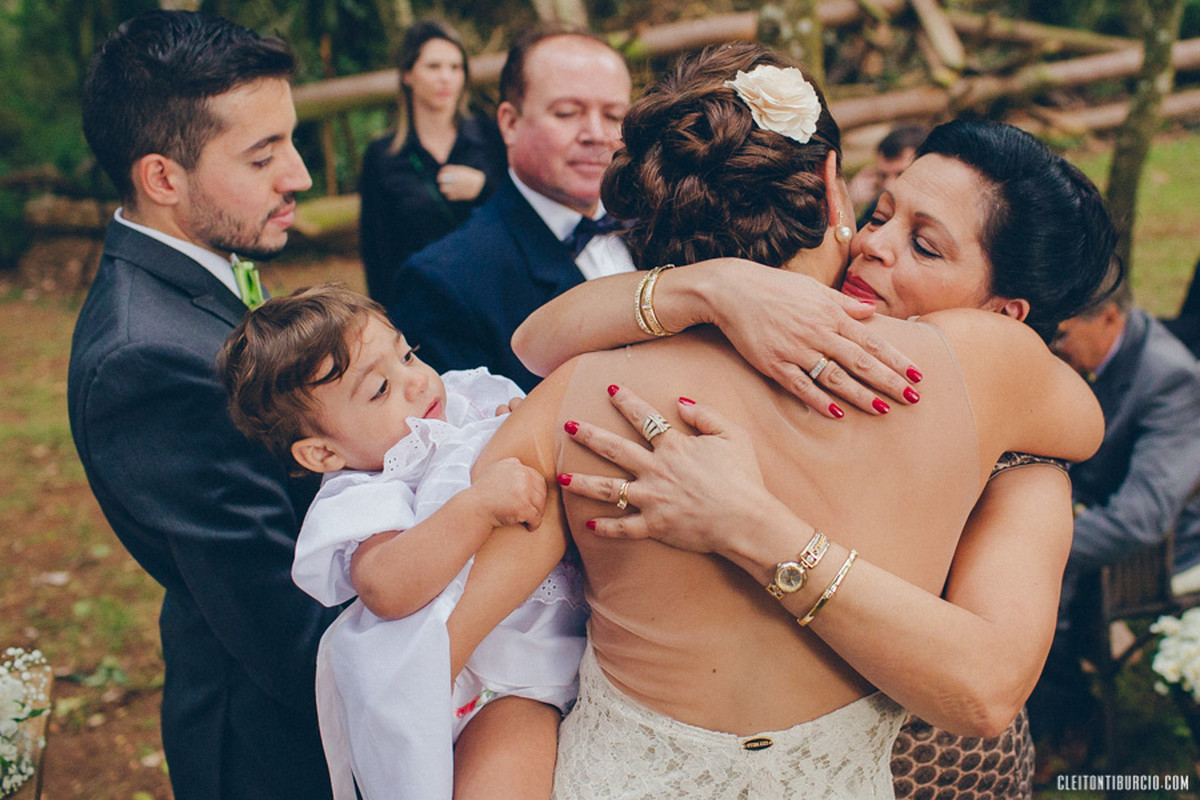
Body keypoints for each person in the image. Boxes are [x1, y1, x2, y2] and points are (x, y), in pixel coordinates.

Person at [453, 44, 1117, 797]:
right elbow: (535, 342)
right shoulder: (757, 335)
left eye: (924, 246)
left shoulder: (1022, 458)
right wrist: (714, 286)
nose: (872, 244)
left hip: (936, 775)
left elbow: (986, 690)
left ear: (1007, 317)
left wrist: (748, 523)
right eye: (880, 212)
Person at [67, 11, 337, 800]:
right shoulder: (143, 362)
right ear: (163, 178)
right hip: (275, 754)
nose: (300, 176)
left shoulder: (203, 267)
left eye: (289, 140)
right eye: (263, 156)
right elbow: (287, 630)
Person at [217, 285, 587, 799]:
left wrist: (514, 422)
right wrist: (476, 506)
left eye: (407, 353)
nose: (415, 382)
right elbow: (385, 585)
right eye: (379, 390)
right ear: (323, 453)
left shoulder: (465, 400)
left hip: (579, 631)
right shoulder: (365, 489)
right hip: (497, 683)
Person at [388, 23, 636, 391]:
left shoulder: (667, 224)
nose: (596, 134)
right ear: (510, 123)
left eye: (614, 116)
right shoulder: (443, 283)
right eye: (568, 112)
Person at [1029, 273, 1200, 754]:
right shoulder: (1088, 355)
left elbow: (1143, 517)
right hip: (1084, 513)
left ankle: (1069, 723)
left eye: (1060, 334)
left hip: (1160, 549)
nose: (1051, 346)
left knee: (1032, 595)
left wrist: (1037, 546)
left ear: (1108, 317)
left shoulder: (1171, 378)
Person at [358, 19, 506, 302]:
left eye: (455, 67)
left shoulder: (491, 136)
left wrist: (484, 187)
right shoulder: (382, 156)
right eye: (434, 67)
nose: (446, 77)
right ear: (407, 75)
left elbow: (524, 210)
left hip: (493, 292)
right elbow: (377, 252)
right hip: (422, 302)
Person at [847, 123, 929, 226]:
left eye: (900, 174)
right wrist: (850, 203)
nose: (888, 185)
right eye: (883, 176)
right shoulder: (879, 207)